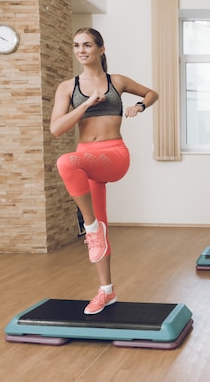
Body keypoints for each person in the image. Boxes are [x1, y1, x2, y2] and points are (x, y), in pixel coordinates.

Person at [50, 28, 158, 314]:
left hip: (113, 155)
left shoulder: (117, 81)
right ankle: (106, 291)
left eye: (87, 45)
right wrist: (86, 103)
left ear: (101, 49)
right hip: (85, 160)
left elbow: (151, 93)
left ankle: (90, 228)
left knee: (65, 162)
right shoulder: (67, 87)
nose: (81, 50)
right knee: (102, 226)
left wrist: (139, 106)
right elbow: (57, 129)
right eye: (76, 45)